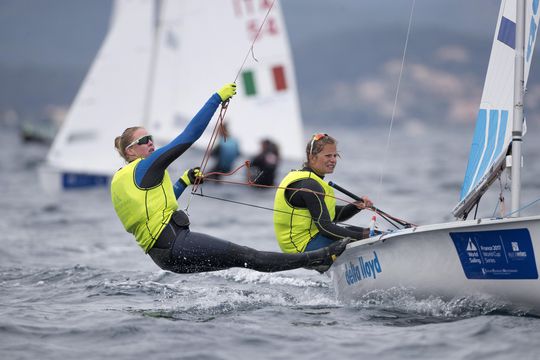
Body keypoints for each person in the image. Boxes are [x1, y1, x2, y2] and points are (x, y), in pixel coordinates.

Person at [111, 85, 349, 274]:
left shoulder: (122, 180)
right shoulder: (144, 167)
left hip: (164, 258)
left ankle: (316, 261)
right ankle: (320, 258)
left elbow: (156, 207)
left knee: (243, 260)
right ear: (130, 152)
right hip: (177, 245)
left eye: (150, 137)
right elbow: (188, 136)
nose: (150, 143)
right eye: (143, 141)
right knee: (248, 256)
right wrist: (216, 99)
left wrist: (183, 181)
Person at [273, 133, 374, 254]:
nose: (333, 160)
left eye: (335, 155)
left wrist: (355, 206)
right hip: (302, 246)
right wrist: (363, 238)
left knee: (369, 233)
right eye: (328, 156)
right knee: (364, 237)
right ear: (312, 157)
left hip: (310, 239)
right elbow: (326, 228)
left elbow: (330, 215)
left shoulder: (308, 179)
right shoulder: (309, 185)